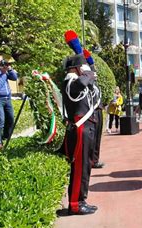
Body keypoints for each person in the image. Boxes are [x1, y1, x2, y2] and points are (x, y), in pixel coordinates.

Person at [61, 54, 98, 215]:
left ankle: (81, 199)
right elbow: (80, 85)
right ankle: (75, 204)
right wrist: (88, 74)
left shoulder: (77, 82)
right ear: (77, 69)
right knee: (79, 167)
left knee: (85, 166)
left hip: (86, 128)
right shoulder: (70, 82)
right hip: (80, 128)